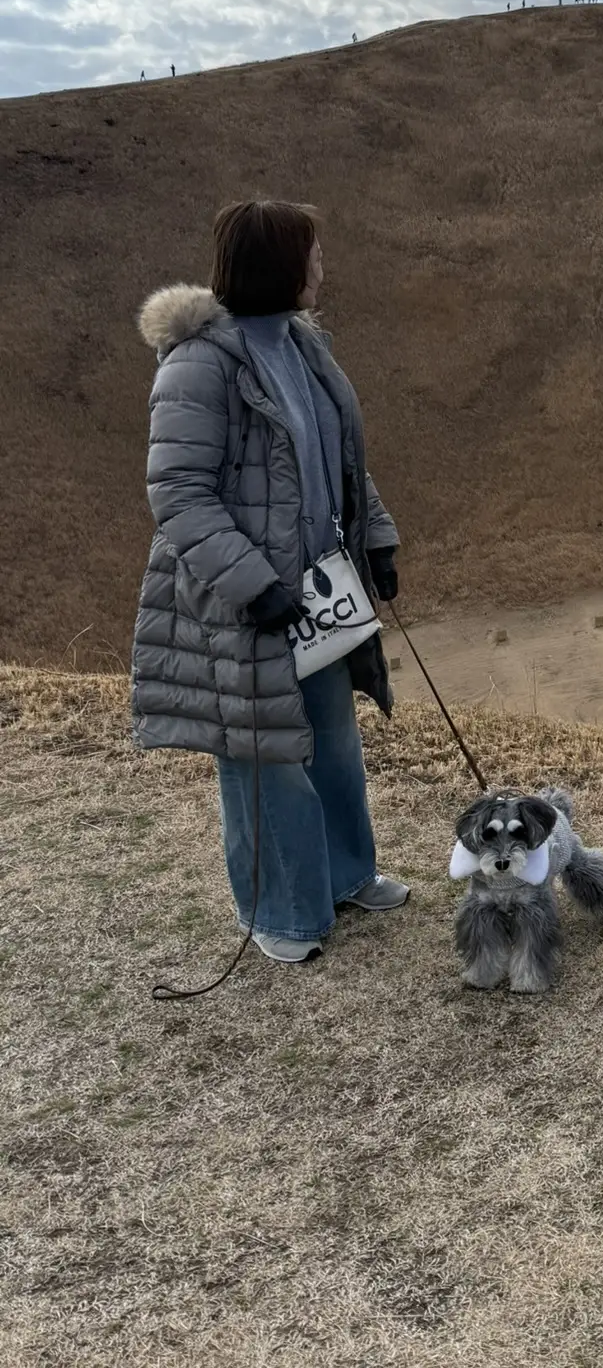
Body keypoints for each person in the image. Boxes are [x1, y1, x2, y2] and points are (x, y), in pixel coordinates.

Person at [131, 200, 408, 966]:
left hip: (319, 591)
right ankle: (282, 914)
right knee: (264, 762)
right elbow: (179, 494)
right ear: (278, 264)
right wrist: (253, 583)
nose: (321, 267)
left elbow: (340, 458)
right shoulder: (200, 363)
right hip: (245, 604)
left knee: (333, 739)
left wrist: (377, 537)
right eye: (312, 254)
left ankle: (347, 876)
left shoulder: (302, 345)